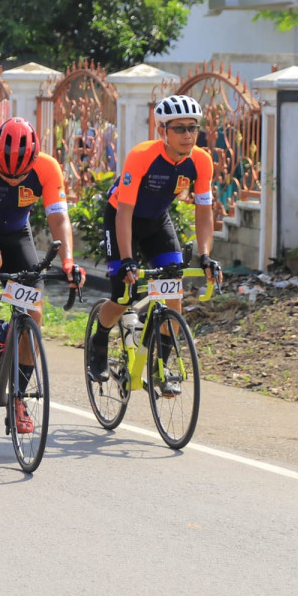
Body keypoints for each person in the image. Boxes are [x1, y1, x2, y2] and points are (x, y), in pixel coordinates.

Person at [86, 95, 224, 391]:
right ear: (163, 130)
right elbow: (124, 212)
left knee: (173, 293)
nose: (188, 135)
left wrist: (205, 255)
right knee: (123, 296)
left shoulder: (201, 160)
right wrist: (127, 260)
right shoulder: (142, 156)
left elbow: (204, 211)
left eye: (193, 128)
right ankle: (99, 341)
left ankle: (161, 367)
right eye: (179, 129)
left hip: (157, 222)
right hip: (122, 218)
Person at [0, 118, 84, 434]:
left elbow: (58, 217)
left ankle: (18, 397)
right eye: (6, 174)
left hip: (16, 232)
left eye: (19, 175)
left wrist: (69, 262)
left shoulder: (47, 167)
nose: (12, 180)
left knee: (34, 312)